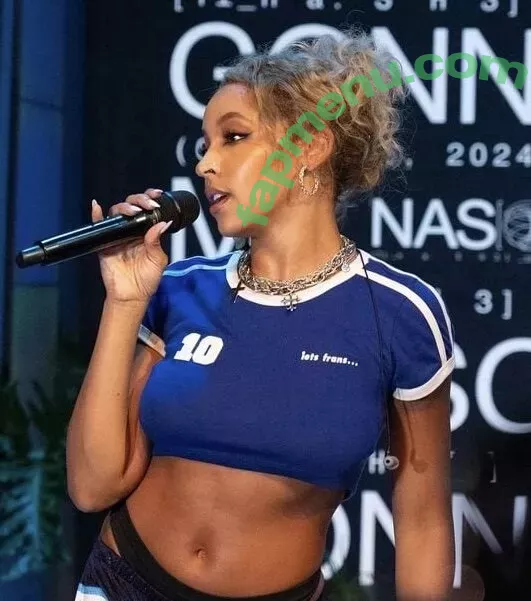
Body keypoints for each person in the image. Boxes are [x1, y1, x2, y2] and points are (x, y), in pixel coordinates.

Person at [69, 26, 455, 601]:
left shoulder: (401, 312)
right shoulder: (177, 288)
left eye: (233, 137)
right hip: (120, 583)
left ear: (310, 148)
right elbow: (91, 486)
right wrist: (124, 301)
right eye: (204, 145)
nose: (205, 164)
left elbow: (423, 520)